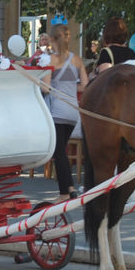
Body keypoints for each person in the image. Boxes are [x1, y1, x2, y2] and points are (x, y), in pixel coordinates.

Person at [45, 24, 89, 202]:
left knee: (58, 152)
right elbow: (84, 86)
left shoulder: (51, 60)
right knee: (61, 149)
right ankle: (69, 188)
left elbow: (46, 88)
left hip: (57, 110)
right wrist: (70, 87)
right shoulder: (76, 59)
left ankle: (65, 191)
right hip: (73, 111)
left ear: (53, 40)